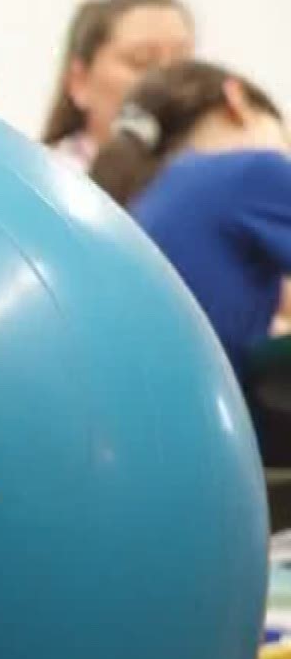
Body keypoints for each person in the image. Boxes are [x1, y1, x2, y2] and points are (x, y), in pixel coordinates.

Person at [90, 61, 291, 459]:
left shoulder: (149, 199)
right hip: (218, 443)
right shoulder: (247, 172)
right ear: (237, 101)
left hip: (150, 448)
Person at [42, 0, 195, 169]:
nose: (169, 79)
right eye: (141, 60)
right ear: (80, 82)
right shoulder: (47, 180)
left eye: (183, 64)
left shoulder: (208, 180)